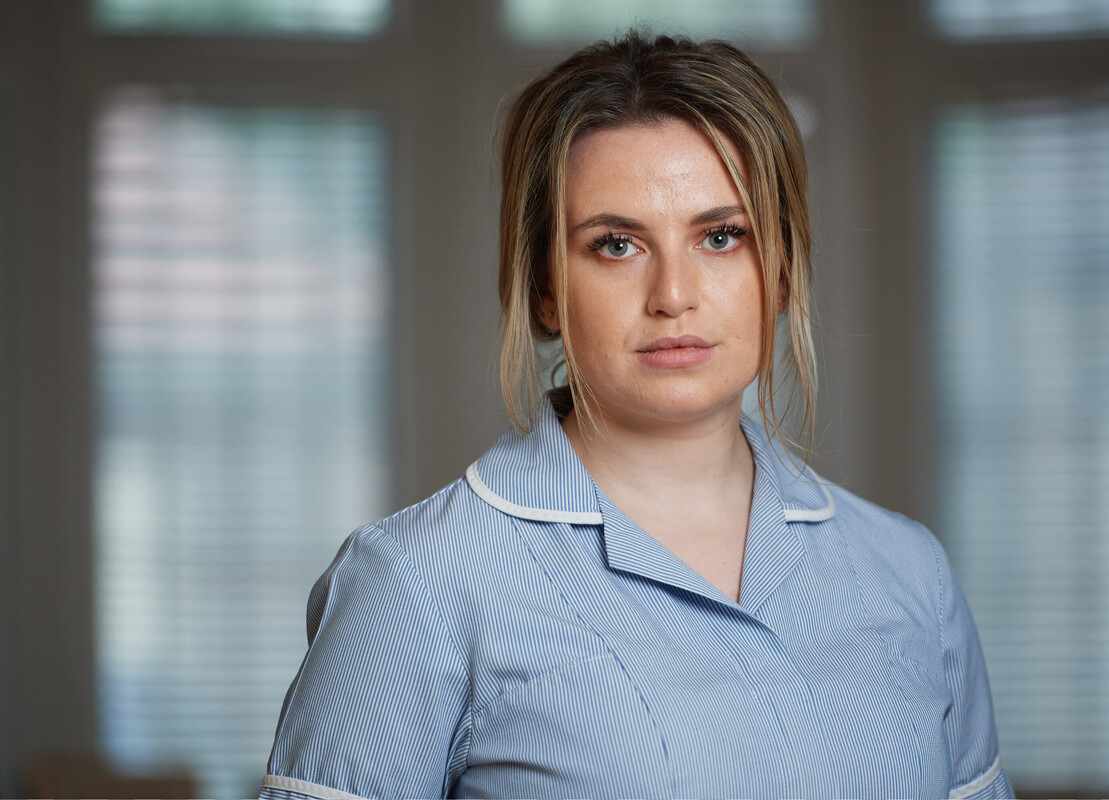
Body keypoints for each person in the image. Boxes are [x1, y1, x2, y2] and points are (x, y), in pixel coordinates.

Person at [260, 32, 1014, 800]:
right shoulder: (416, 584)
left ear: (781, 270)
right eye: (616, 245)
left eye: (722, 237)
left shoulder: (910, 574)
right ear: (545, 288)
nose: (674, 294)